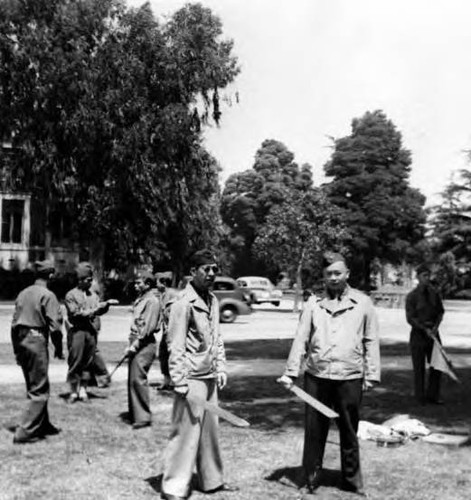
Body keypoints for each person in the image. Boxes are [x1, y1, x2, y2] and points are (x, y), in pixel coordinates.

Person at [278, 252, 380, 496]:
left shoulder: (363, 303)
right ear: (323, 276)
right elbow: (301, 338)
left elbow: (371, 340)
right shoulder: (314, 304)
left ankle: (352, 481)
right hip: (317, 377)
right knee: (314, 431)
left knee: (348, 430)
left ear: (347, 274)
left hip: (350, 377)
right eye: (328, 274)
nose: (333, 278)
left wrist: (372, 374)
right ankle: (311, 478)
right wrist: (291, 372)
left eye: (337, 273)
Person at [160, 250, 238, 500]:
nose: (212, 274)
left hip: (209, 375)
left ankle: (212, 480)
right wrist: (179, 381)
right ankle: (173, 486)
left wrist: (222, 367)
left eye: (215, 269)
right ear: (193, 272)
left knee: (209, 432)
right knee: (186, 432)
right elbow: (175, 344)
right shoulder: (182, 302)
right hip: (191, 377)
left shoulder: (213, 300)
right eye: (206, 269)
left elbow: (217, 339)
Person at [10, 260, 63, 444]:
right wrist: (59, 347)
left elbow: (14, 324)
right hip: (37, 339)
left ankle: (43, 424)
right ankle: (24, 432)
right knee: (39, 389)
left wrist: (17, 350)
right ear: (50, 275)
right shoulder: (48, 295)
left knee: (35, 384)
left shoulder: (23, 293)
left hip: (22, 340)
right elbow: (55, 327)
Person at [65, 262, 115, 403]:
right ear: (80, 280)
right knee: (75, 362)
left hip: (91, 332)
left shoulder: (93, 295)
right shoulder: (71, 295)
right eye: (88, 280)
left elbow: (98, 310)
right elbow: (75, 314)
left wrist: (106, 306)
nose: (90, 282)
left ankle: (83, 391)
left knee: (88, 362)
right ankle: (73, 392)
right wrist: (95, 310)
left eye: (91, 280)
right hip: (77, 332)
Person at [124, 270, 160, 429]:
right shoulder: (141, 299)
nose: (136, 285)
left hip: (144, 343)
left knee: (138, 379)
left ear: (148, 284)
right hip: (136, 340)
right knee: (133, 379)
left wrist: (135, 345)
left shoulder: (152, 301)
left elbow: (147, 327)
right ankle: (135, 414)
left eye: (139, 283)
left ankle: (143, 417)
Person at [405, 263, 445, 405]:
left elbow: (440, 312)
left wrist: (435, 327)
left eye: (429, 275)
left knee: (437, 366)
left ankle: (433, 396)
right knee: (419, 367)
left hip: (434, 333)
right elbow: (410, 318)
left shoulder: (435, 294)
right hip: (418, 334)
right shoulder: (412, 296)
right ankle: (420, 397)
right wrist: (424, 329)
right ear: (418, 277)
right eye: (424, 276)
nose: (427, 278)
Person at [155, 271, 178, 392]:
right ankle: (167, 381)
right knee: (163, 354)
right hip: (166, 331)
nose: (156, 285)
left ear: (163, 282)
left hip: (174, 332)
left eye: (157, 282)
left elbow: (175, 313)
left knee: (173, 356)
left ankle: (175, 382)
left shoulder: (173, 294)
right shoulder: (162, 295)